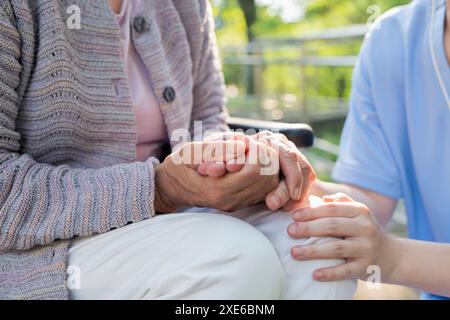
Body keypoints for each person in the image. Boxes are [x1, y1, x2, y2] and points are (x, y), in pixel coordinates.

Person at [0, 0, 356, 300]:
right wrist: (160, 188)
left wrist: (246, 155)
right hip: (41, 245)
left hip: (172, 218)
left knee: (322, 243)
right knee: (232, 260)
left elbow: (209, 122)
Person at [279, 0, 450, 299]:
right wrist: (286, 180)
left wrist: (392, 256)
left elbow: (387, 252)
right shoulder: (392, 39)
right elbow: (369, 198)